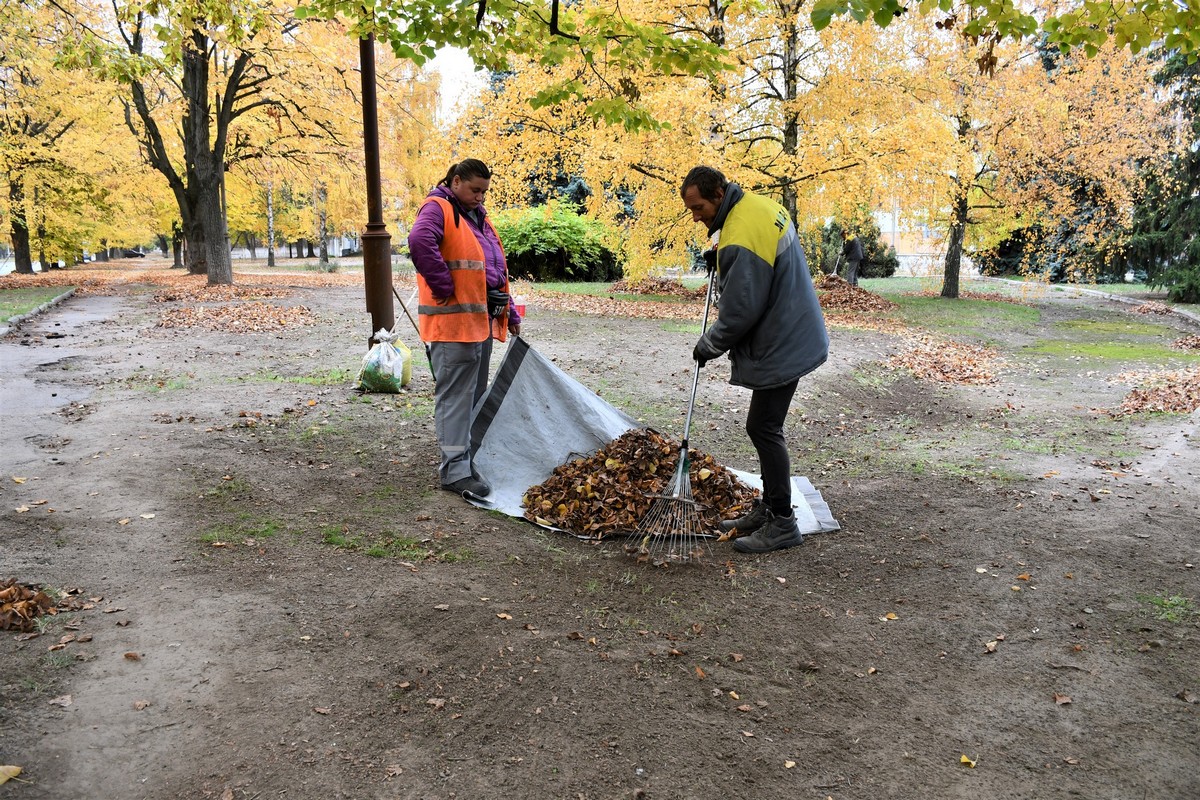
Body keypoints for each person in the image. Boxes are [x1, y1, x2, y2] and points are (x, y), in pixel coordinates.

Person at [680, 166, 829, 553]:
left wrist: (708, 345)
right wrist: (722, 260)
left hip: (785, 339)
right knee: (762, 425)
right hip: (795, 325)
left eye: (699, 207)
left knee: (763, 427)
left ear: (718, 193)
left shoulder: (740, 236)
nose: (696, 217)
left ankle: (782, 523)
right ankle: (770, 508)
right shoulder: (758, 207)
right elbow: (757, 272)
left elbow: (741, 311)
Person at [408, 159, 521, 498]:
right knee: (456, 398)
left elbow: (492, 272)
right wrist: (444, 287)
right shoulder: (438, 208)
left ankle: (465, 462)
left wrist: (510, 311)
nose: (481, 197)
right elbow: (418, 241)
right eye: (475, 190)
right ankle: (454, 472)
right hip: (452, 325)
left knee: (472, 396)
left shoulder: (478, 219)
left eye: (485, 191)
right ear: (456, 182)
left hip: (478, 323)